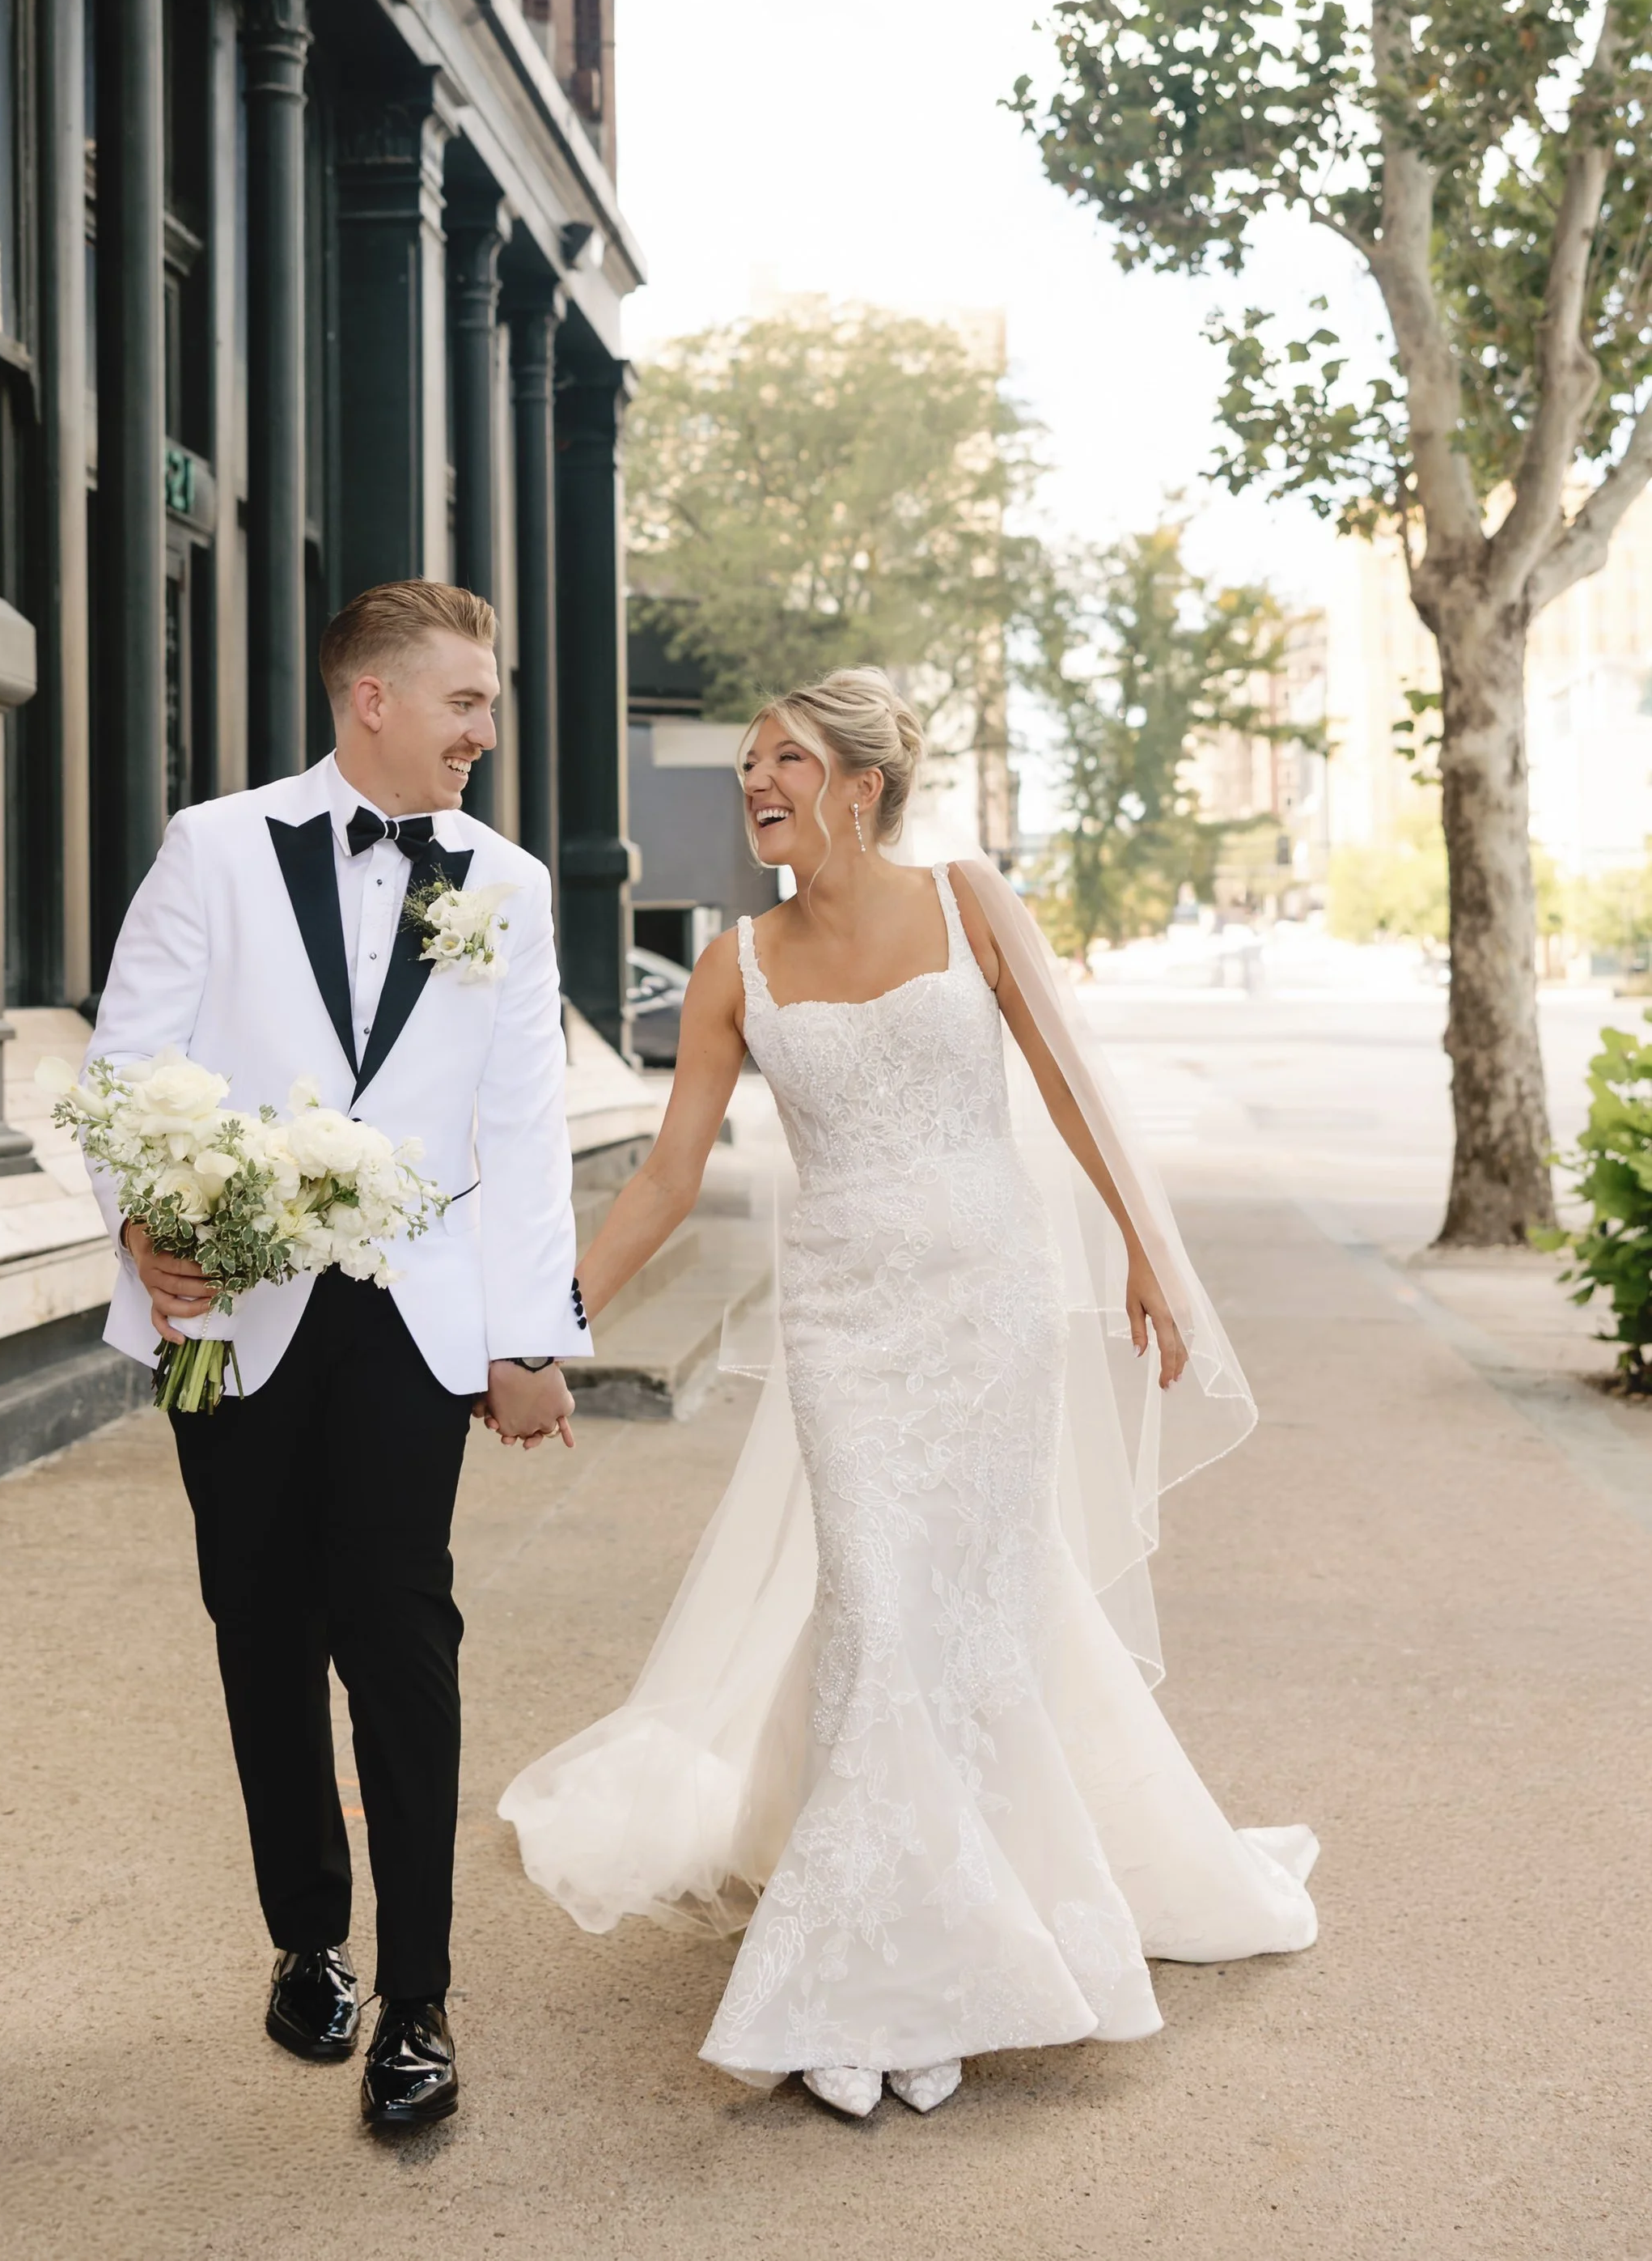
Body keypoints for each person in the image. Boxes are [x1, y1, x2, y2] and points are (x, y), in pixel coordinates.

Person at [500, 668, 1315, 2120]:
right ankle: (887, 1957)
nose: (756, 784)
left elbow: (1069, 1086)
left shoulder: (967, 899)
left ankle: (930, 1949)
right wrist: (542, 1326)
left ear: (862, 784)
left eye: (787, 762)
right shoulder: (732, 965)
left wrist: (1146, 1248)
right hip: (849, 1326)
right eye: (749, 765)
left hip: (989, 1308)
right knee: (880, 1605)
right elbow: (670, 1175)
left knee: (968, 1609)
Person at [91, 581, 587, 2135]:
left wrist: (530, 1337)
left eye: (488, 705)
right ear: (371, 697)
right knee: (259, 1620)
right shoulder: (213, 849)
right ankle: (310, 1937)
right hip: (231, 1303)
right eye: (465, 703)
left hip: (413, 1312)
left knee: (401, 1630)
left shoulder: (506, 882)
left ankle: (422, 1994)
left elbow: (524, 1124)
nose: (484, 734)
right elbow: (124, 1064)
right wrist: (138, 1233)